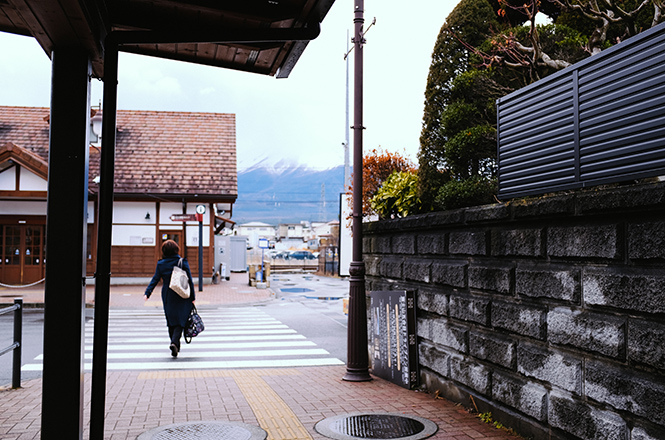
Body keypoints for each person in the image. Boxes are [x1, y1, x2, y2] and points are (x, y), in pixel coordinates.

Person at [144, 239, 195, 358]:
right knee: (181, 320)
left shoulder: (161, 264)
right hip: (183, 294)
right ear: (176, 249)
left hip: (168, 294)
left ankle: (174, 342)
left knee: (171, 320)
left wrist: (148, 293)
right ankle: (174, 342)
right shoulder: (182, 262)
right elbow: (190, 280)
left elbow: (155, 279)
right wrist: (192, 296)